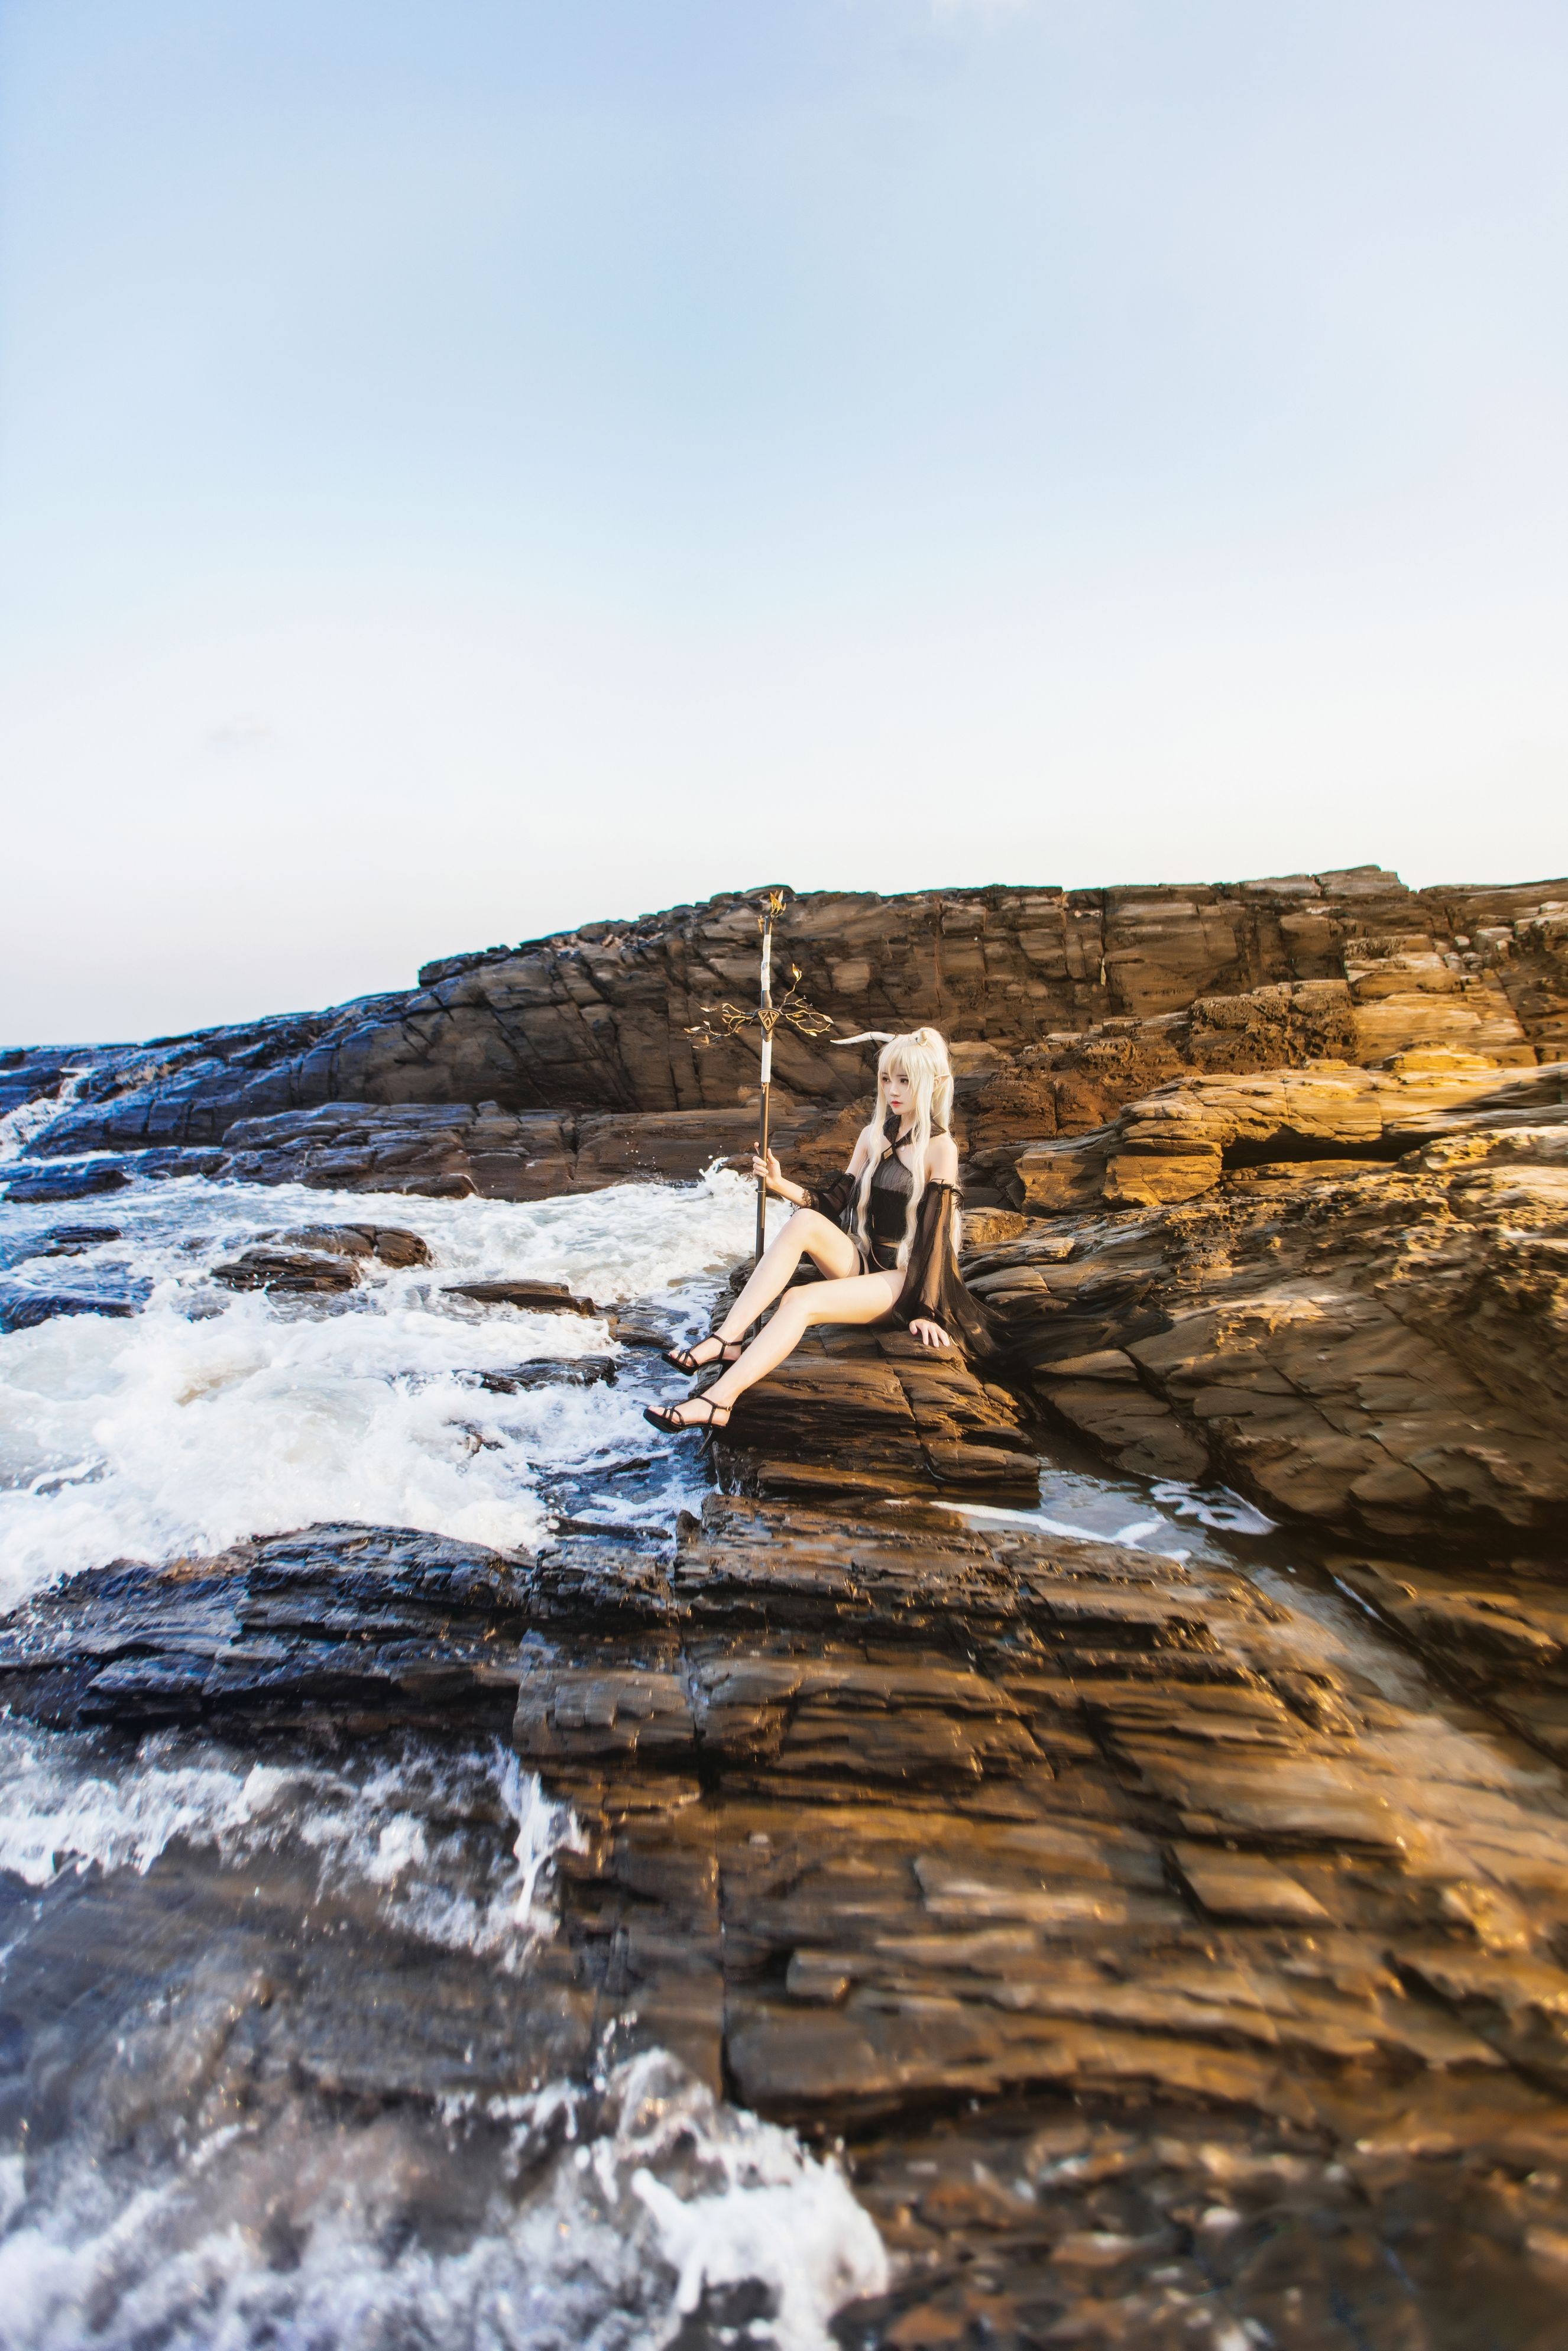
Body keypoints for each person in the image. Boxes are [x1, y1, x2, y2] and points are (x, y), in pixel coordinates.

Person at [644, 1026, 996, 1435]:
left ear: (932, 1084)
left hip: (905, 1281)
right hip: (864, 1263)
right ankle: (728, 1338)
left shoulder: (941, 1148)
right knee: (805, 1221)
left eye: (905, 1080)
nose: (893, 1090)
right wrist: (780, 1184)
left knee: (799, 1299)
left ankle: (717, 1402)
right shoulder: (872, 1136)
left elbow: (936, 1234)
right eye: (886, 1079)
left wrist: (928, 1310)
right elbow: (833, 1202)